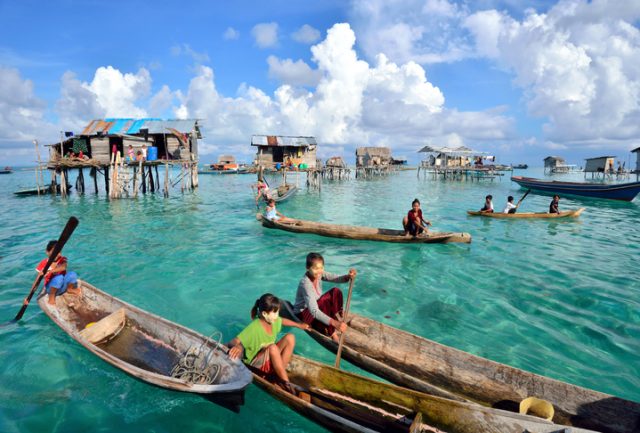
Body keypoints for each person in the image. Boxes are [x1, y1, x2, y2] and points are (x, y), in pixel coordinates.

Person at [227, 294, 308, 393]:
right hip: (256, 366)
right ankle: (285, 383)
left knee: (290, 337)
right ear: (264, 314)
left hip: (269, 356)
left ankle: (278, 375)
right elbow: (234, 341)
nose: (277, 315)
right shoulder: (254, 327)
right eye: (274, 312)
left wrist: (298, 325)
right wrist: (239, 347)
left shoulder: (274, 321)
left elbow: (282, 321)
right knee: (273, 347)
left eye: (278, 312)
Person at [293, 253, 356, 342]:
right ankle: (332, 333)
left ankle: (336, 315)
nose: (319, 271)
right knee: (323, 301)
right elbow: (314, 311)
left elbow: (334, 278)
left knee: (335, 291)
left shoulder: (318, 274)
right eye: (316, 268)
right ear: (307, 268)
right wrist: (334, 323)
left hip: (318, 308)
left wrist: (347, 277)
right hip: (303, 315)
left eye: (321, 267)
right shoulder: (306, 284)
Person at [35, 240, 80, 306]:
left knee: (72, 274)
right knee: (59, 278)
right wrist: (28, 297)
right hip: (50, 289)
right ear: (47, 252)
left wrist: (49, 271)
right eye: (54, 252)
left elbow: (63, 267)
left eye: (59, 252)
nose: (57, 254)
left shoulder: (62, 260)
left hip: (62, 286)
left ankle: (69, 289)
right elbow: (37, 280)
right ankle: (51, 296)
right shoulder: (43, 264)